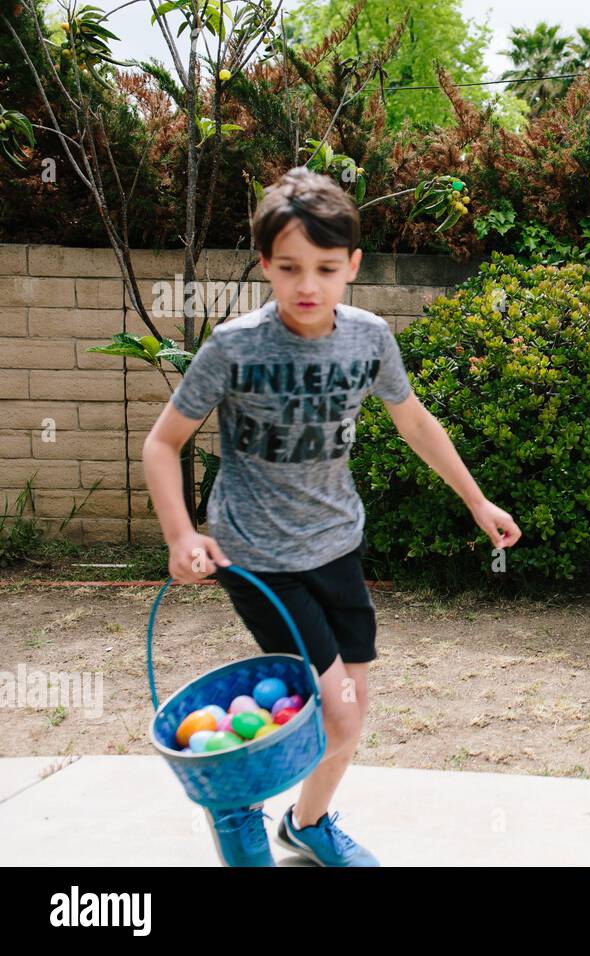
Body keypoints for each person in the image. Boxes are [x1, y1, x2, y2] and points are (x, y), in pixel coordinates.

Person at [143, 166, 521, 866]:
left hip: (336, 545)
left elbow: (414, 421)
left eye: (324, 266)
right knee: (336, 708)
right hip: (257, 559)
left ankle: (306, 823)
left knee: (352, 711)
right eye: (288, 268)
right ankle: (237, 800)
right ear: (265, 265)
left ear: (352, 264)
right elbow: (163, 443)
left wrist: (476, 499)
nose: (306, 285)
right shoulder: (234, 348)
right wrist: (180, 533)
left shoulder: (369, 339)